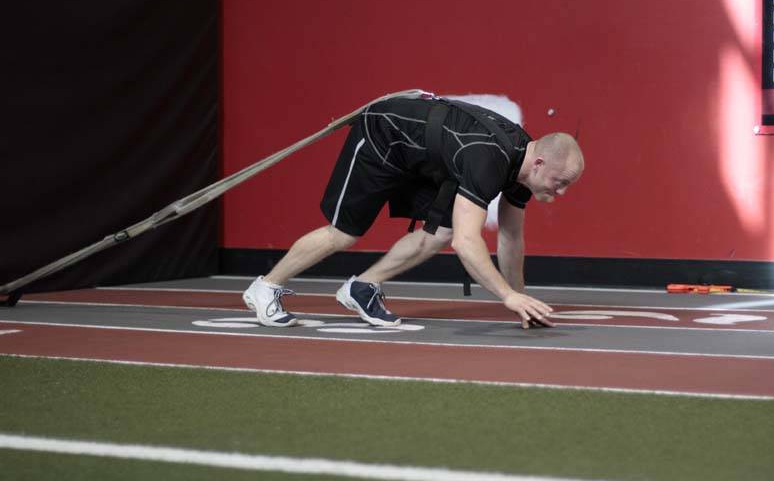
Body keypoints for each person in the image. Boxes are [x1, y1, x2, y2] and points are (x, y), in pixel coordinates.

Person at [242, 92, 584, 330]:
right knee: (344, 233)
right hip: (382, 135)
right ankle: (266, 287)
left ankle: (362, 288)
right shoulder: (487, 160)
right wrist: (508, 297)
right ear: (539, 163)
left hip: (423, 155)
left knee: (441, 232)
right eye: (561, 181)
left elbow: (511, 237)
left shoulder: (522, 166)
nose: (562, 192)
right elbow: (468, 244)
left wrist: (522, 301)